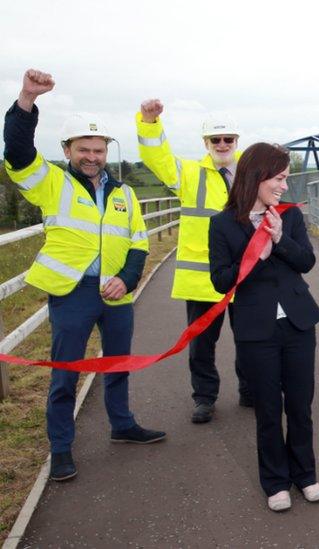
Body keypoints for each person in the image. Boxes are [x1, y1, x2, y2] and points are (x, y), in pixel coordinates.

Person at [3, 69, 165, 482]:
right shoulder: (51, 183)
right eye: (83, 149)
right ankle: (61, 449)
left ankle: (122, 425)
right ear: (68, 149)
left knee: (116, 364)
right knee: (65, 373)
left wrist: (127, 280)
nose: (92, 156)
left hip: (115, 294)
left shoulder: (124, 193)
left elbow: (138, 243)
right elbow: (19, 152)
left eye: (98, 149)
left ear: (106, 151)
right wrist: (26, 100)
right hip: (72, 293)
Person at [208, 142, 319, 511]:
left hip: (298, 324)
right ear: (257, 177)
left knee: (301, 405)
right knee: (268, 409)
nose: (283, 186)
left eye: (286, 178)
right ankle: (275, 481)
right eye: (278, 178)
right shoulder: (222, 223)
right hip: (256, 330)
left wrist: (278, 239)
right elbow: (221, 281)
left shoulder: (287, 216)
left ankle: (305, 475)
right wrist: (255, 256)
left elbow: (306, 262)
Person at [137, 98, 250, 423]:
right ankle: (204, 398)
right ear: (206, 143)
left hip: (245, 276)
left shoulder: (252, 172)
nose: (223, 144)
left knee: (250, 339)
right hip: (202, 279)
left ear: (236, 141)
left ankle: (250, 390)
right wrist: (149, 123)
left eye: (229, 138)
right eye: (216, 139)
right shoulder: (189, 173)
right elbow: (156, 158)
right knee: (202, 346)